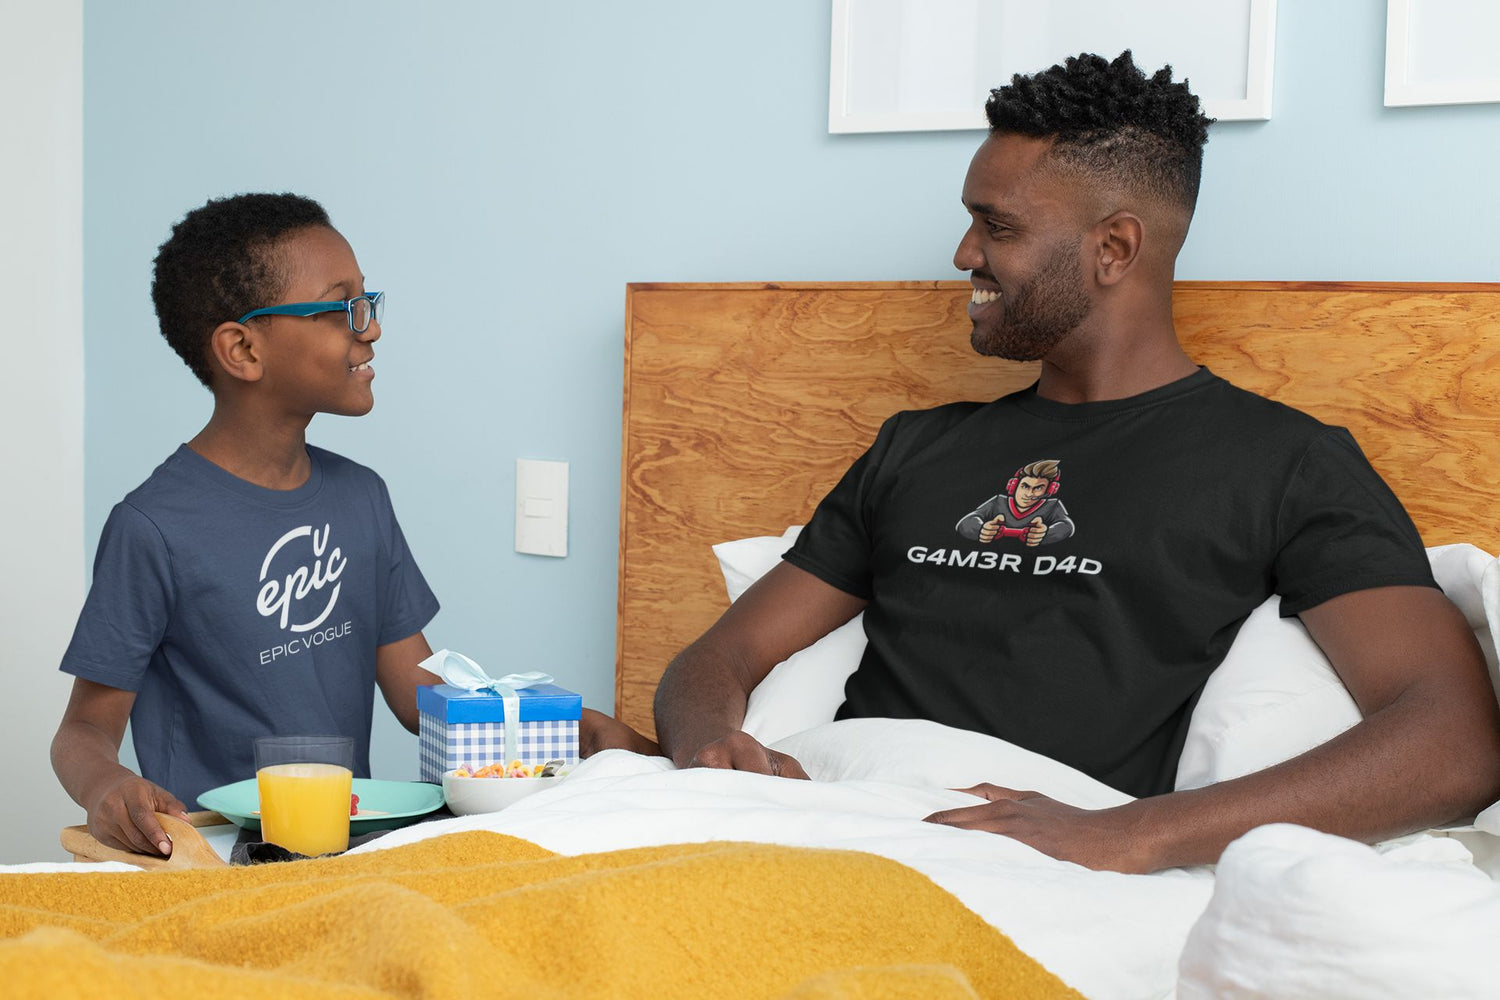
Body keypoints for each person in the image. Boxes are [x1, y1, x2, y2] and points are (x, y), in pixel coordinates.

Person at [647, 52, 1500, 873]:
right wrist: (710, 748)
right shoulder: (917, 446)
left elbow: (1453, 741)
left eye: (998, 226)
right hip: (828, 812)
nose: (963, 253)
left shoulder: (1285, 465)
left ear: (1115, 249)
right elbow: (715, 661)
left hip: (1031, 857)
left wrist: (1135, 835)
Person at [51, 194, 444, 859]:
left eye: (366, 301)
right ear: (242, 349)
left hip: (344, 857)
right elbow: (83, 729)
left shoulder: (362, 498)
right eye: (336, 306)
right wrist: (108, 784)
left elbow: (421, 700)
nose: (368, 328)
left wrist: (559, 730)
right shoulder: (152, 527)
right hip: (220, 863)